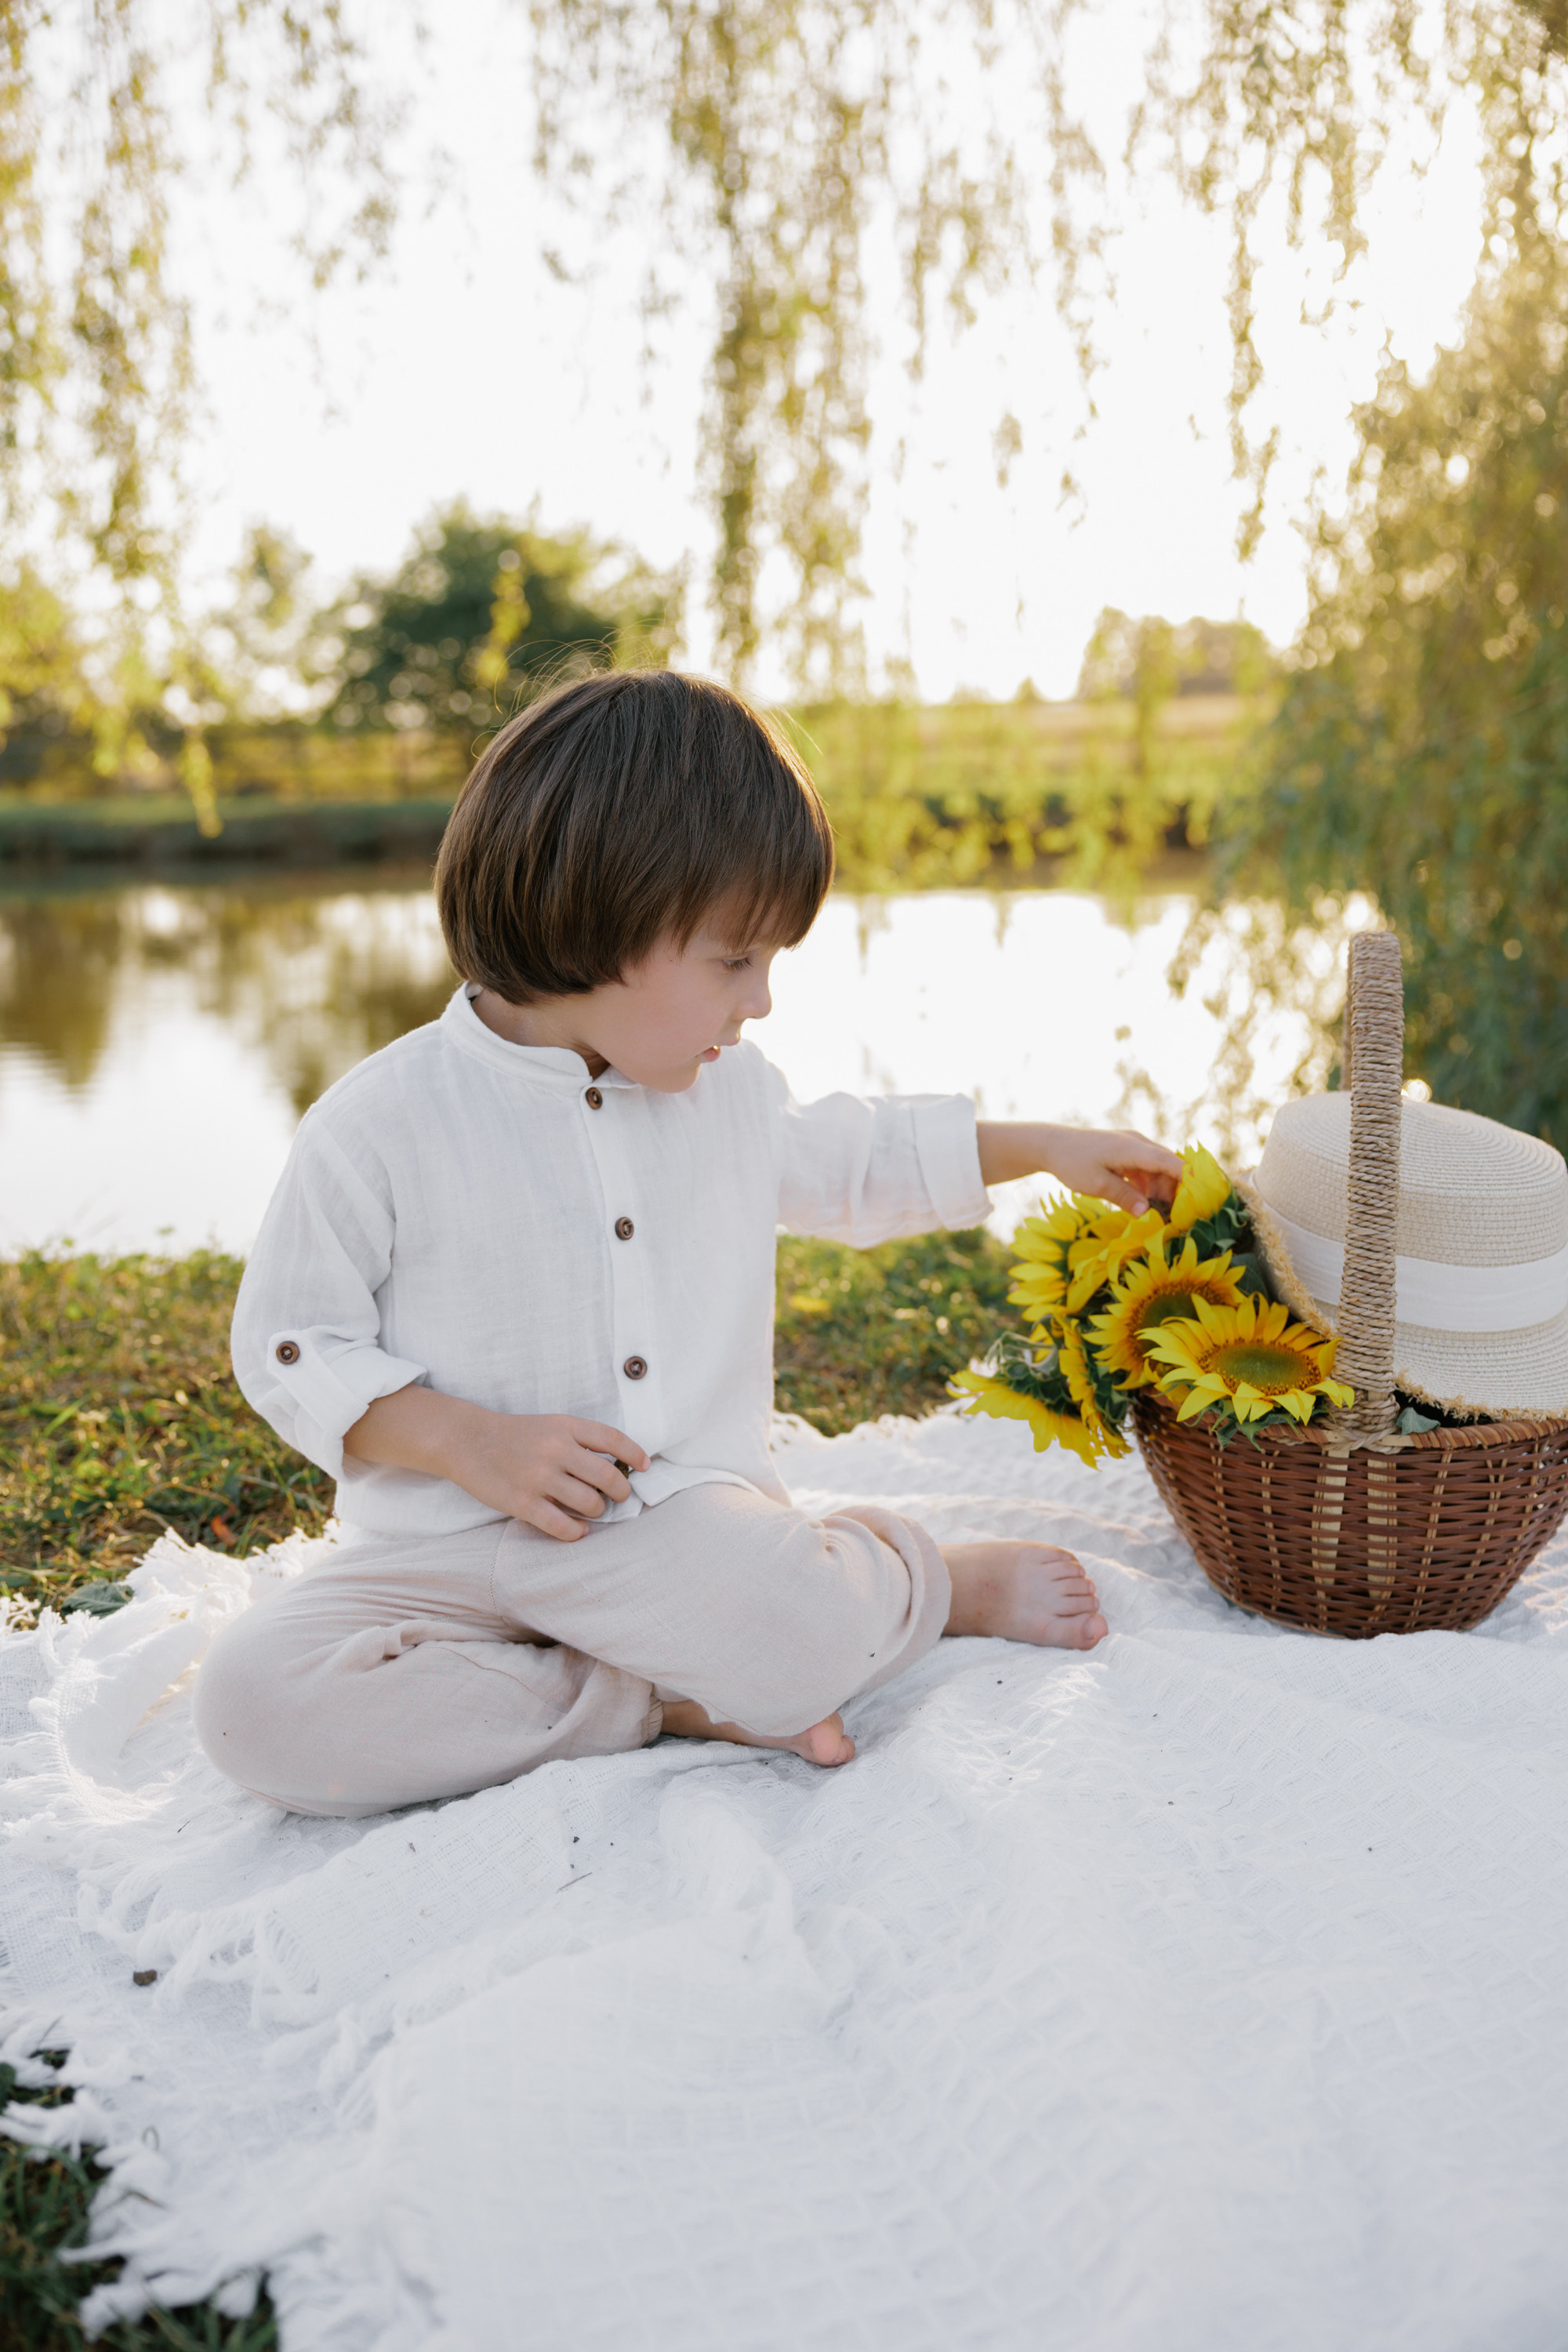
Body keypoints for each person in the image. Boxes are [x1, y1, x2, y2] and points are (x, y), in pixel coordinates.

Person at [194, 670, 1181, 1817]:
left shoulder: (729, 1095)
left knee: (793, 1626)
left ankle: (928, 1585)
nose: (758, 1001)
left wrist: (1047, 1145)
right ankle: (659, 1704)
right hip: (437, 1557)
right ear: (597, 920)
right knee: (254, 1707)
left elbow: (855, 1161)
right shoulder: (381, 1122)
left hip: (668, 1540)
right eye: (732, 961)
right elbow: (288, 1341)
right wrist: (467, 1442)